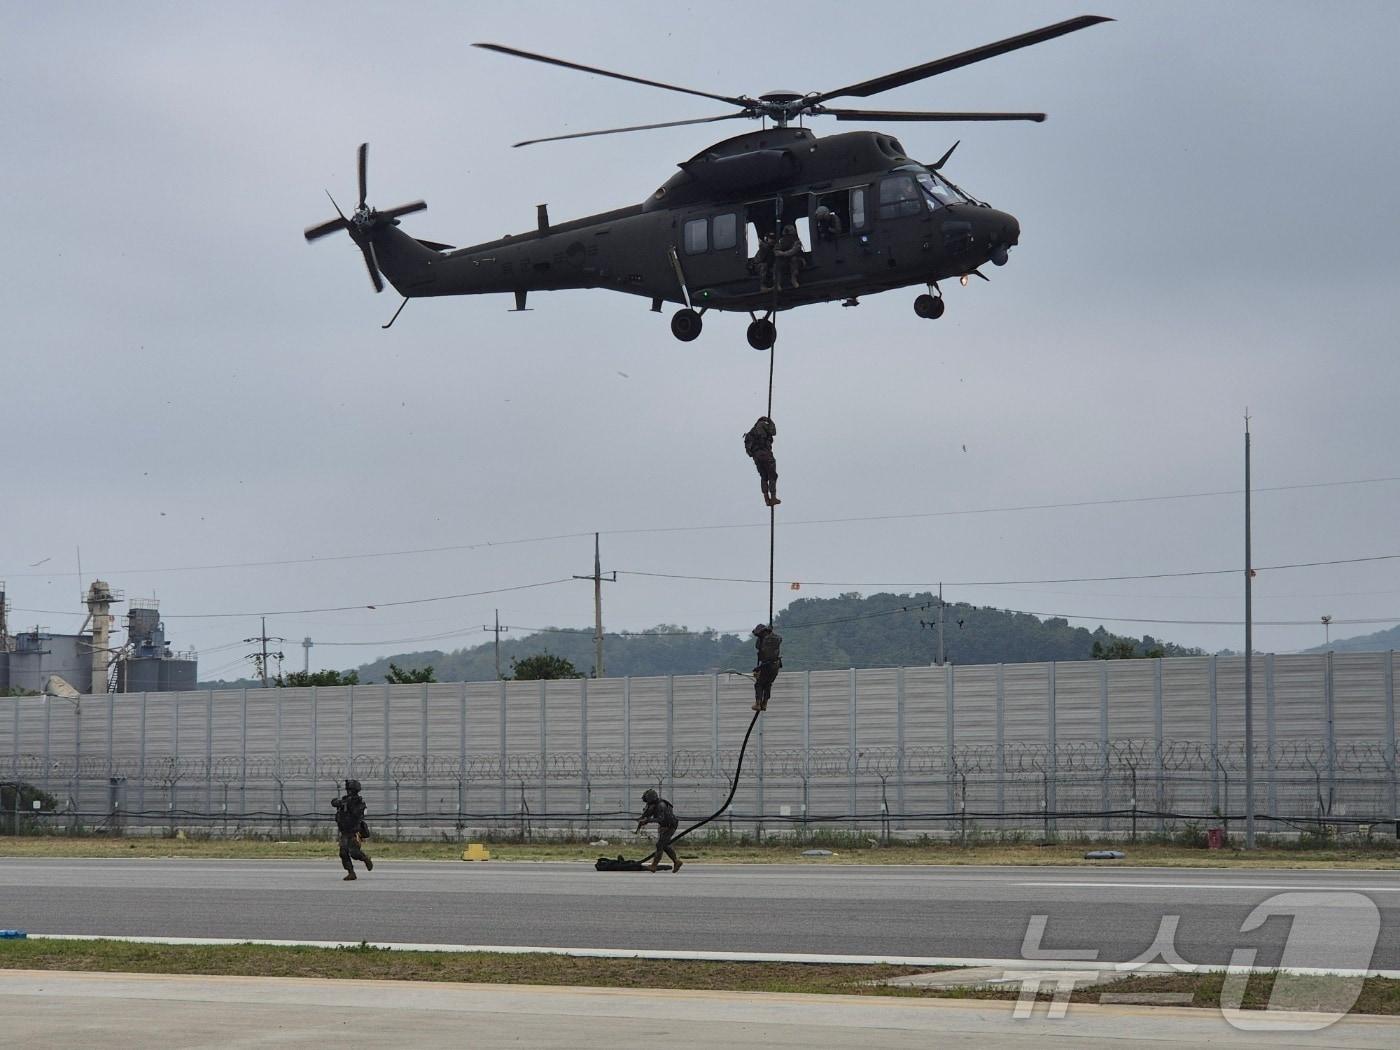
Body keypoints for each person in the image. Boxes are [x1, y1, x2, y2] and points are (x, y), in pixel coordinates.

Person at [331, 778, 373, 881]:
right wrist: (337, 802)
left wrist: (349, 806)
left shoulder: (359, 802)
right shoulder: (345, 800)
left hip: (354, 831)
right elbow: (335, 803)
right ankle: (351, 872)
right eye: (348, 790)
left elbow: (358, 814)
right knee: (343, 852)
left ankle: (365, 858)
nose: (349, 792)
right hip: (345, 831)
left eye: (351, 790)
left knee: (354, 852)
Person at [635, 787, 682, 873]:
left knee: (660, 845)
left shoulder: (661, 805)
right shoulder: (652, 805)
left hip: (670, 826)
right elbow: (647, 814)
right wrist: (642, 820)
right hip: (665, 825)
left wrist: (647, 820)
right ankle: (676, 861)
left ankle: (654, 866)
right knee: (665, 845)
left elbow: (660, 819)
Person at [743, 415, 780, 507]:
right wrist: (770, 421)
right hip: (765, 453)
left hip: (756, 457)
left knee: (764, 477)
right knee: (772, 475)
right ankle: (773, 497)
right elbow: (773, 432)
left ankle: (766, 499)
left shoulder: (751, 433)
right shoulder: (762, 424)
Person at [752, 623, 782, 712]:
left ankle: (758, 703)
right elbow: (780, 639)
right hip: (775, 666)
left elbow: (766, 657)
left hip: (767, 665)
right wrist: (771, 632)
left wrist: (758, 668)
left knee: (759, 684)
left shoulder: (765, 641)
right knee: (768, 684)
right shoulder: (775, 638)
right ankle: (764, 703)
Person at [773, 224, 805, 289]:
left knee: (794, 259)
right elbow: (776, 251)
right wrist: (780, 253)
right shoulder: (781, 241)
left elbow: (794, 251)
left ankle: (794, 279)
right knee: (777, 263)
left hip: (798, 260)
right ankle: (777, 283)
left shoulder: (797, 241)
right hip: (786, 261)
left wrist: (783, 253)